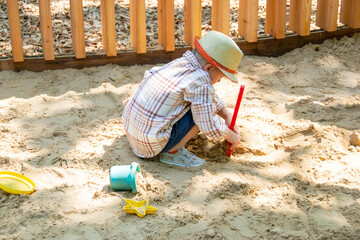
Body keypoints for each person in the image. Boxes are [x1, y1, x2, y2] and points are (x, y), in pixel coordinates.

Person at [122, 30, 243, 168]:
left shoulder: (181, 64)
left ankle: (171, 141)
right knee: (201, 114)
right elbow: (207, 124)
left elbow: (208, 95)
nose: (219, 81)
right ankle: (172, 152)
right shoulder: (201, 80)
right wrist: (229, 135)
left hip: (133, 131)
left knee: (201, 102)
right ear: (208, 68)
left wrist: (226, 115)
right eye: (220, 77)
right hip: (151, 145)